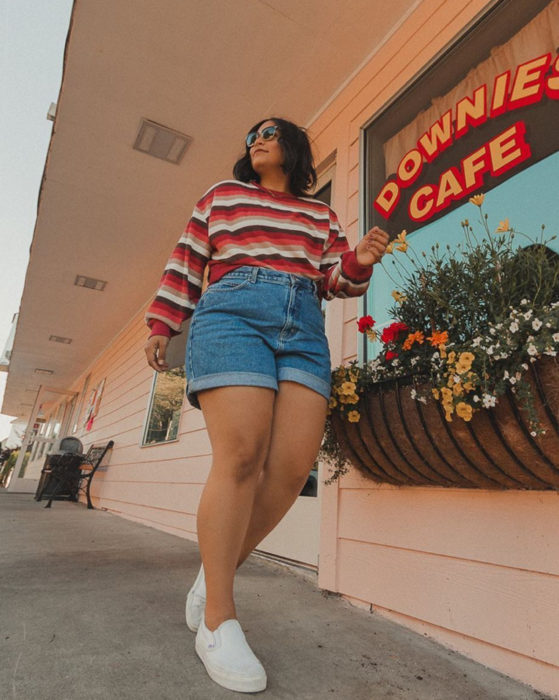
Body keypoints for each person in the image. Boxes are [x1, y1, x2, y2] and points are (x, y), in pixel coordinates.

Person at [144, 117, 388, 693]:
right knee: (242, 455)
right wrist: (164, 320)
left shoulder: (321, 215)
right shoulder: (223, 196)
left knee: (290, 468)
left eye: (272, 133)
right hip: (232, 312)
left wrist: (358, 263)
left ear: (296, 150)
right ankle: (218, 620)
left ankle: (214, 571)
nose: (258, 138)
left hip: (303, 323)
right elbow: (186, 259)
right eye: (253, 133)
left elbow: (337, 282)